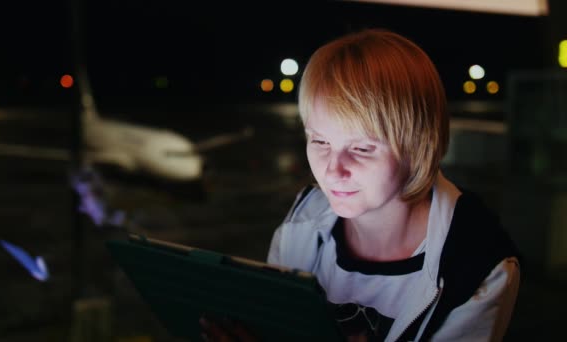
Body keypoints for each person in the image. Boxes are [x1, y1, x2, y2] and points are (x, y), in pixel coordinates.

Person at [200, 28, 520, 341]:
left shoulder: (477, 266)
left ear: (420, 143)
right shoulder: (302, 223)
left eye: (362, 148)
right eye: (320, 141)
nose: (333, 170)